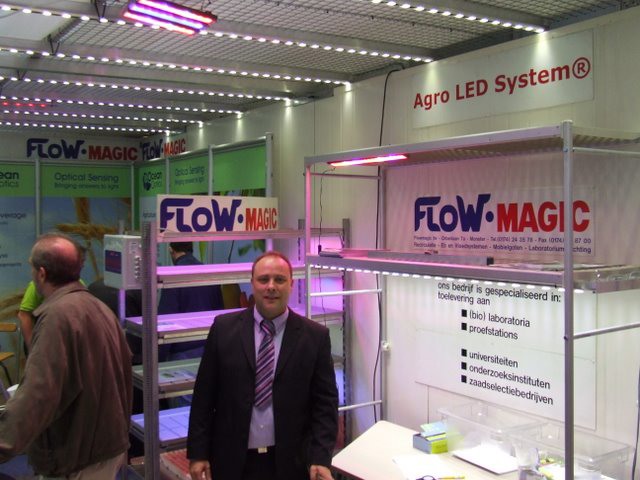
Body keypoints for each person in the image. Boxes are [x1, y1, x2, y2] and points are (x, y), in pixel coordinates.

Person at [187, 251, 339, 480]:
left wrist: (320, 457)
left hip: (292, 464)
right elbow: (203, 397)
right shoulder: (223, 329)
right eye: (263, 279)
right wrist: (198, 453)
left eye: (280, 279)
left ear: (291, 284)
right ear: (252, 283)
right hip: (231, 462)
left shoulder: (315, 337)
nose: (271, 287)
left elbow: (325, 404)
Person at [0, 233, 133, 478]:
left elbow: (37, 395)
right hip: (106, 448)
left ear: (41, 273)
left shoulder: (57, 317)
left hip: (77, 456)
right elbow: (125, 371)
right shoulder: (99, 307)